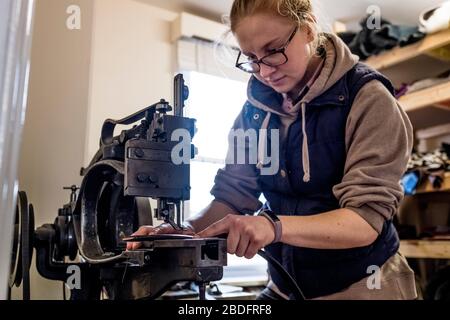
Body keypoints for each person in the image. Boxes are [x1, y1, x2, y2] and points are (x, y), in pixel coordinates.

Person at [127, 0, 418, 300]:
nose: (264, 71)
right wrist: (184, 231)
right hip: (285, 286)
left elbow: (363, 222)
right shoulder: (254, 112)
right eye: (252, 58)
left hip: (363, 284)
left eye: (274, 50)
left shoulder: (368, 99)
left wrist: (272, 227)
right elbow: (233, 197)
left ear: (306, 30)